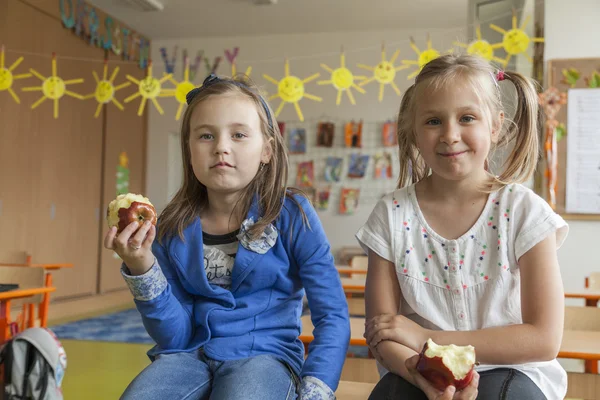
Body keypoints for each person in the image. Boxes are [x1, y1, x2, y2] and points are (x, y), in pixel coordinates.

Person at [105, 73, 350, 400]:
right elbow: (175, 338)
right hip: (189, 356)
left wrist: (318, 385)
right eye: (206, 136)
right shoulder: (171, 227)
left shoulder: (292, 214)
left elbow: (332, 314)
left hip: (265, 357)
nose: (221, 147)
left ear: (266, 149)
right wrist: (141, 266)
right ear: (189, 150)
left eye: (238, 134)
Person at [356, 54, 568, 400]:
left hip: (512, 371)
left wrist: (429, 339)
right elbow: (384, 332)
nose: (450, 135)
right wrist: (421, 371)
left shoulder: (525, 211)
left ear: (496, 126)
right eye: (433, 121)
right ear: (414, 131)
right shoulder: (390, 215)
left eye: (467, 118)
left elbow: (543, 340)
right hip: (417, 370)